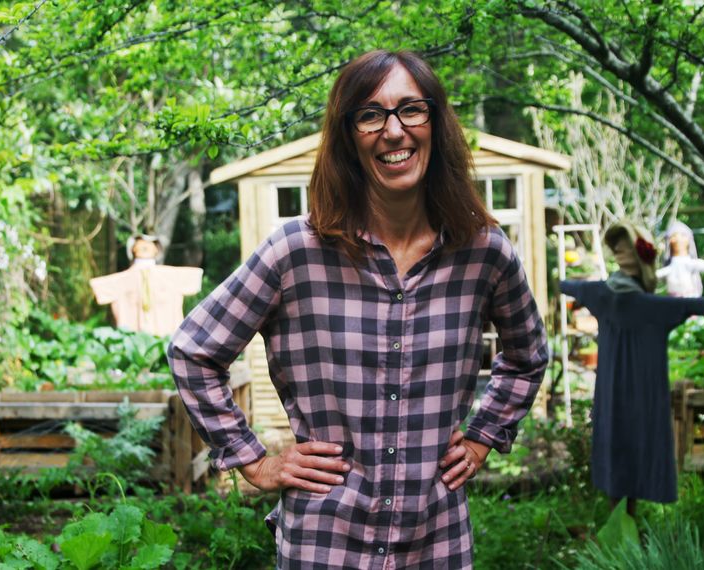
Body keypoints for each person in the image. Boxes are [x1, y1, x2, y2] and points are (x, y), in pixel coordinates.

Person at [167, 50, 548, 569]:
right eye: (371, 115)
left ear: (436, 122)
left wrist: (483, 437)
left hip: (436, 547)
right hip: (324, 547)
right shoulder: (294, 252)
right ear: (348, 135)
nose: (394, 131)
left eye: (411, 109)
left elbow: (527, 357)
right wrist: (254, 461)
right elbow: (193, 350)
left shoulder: (483, 254)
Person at [560, 222, 704, 518]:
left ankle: (621, 530)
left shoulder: (603, 296)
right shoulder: (651, 306)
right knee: (635, 447)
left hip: (613, 392)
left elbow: (567, 285)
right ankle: (625, 529)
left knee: (618, 450)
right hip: (644, 395)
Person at [656, 220, 704, 298]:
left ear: (689, 240)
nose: (678, 239)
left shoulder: (692, 264)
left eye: (682, 235)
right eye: (674, 236)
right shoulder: (670, 268)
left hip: (692, 302)